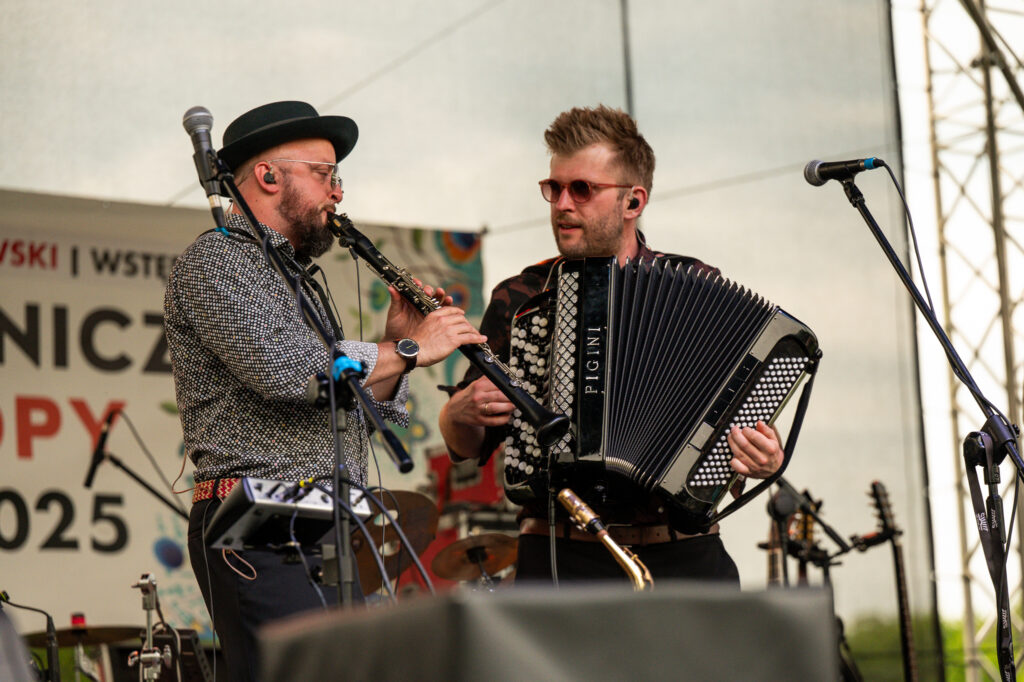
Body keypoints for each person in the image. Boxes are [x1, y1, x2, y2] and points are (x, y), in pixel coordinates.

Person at [164, 101, 486, 681]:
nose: (338, 192)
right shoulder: (215, 261)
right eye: (325, 174)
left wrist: (396, 344)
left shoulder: (300, 283)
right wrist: (412, 351)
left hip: (326, 520)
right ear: (268, 176)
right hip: (254, 523)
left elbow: (350, 410)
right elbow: (287, 372)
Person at [438, 105, 784, 584]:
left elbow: (735, 435)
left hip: (683, 555)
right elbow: (470, 441)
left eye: (582, 189)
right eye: (553, 188)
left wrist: (759, 454)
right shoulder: (520, 297)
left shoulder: (694, 288)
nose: (562, 203)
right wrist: (455, 416)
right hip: (560, 556)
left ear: (633, 201)